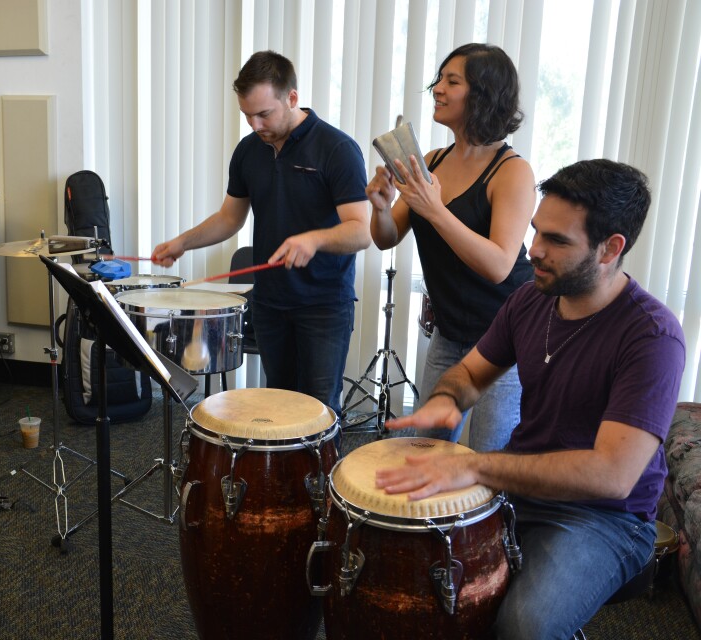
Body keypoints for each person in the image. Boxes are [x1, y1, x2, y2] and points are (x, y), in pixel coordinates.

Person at [375, 159, 685, 639]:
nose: (533, 250)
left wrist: (476, 467)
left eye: (556, 241)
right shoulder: (529, 299)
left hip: (605, 520)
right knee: (409, 566)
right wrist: (448, 395)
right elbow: (471, 373)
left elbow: (611, 476)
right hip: (521, 489)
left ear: (611, 248)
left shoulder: (652, 337)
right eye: (537, 231)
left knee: (524, 627)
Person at [152, 50, 370, 415]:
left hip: (323, 305)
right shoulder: (250, 151)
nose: (254, 124)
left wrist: (314, 239)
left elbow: (361, 231)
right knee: (279, 408)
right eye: (247, 115)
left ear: (292, 98)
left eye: (264, 113)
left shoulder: (338, 149)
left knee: (318, 412)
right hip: (270, 301)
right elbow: (229, 218)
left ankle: (321, 475)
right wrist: (182, 243)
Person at [367, 43, 536, 451]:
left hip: (505, 336)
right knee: (425, 448)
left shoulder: (512, 171)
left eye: (451, 81)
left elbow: (498, 265)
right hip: (450, 331)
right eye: (439, 79)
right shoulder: (432, 161)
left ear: (483, 94)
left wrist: (436, 209)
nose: (437, 89)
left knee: (487, 458)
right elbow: (387, 237)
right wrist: (380, 208)